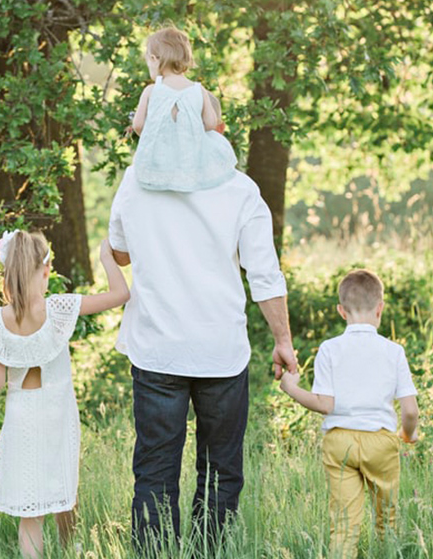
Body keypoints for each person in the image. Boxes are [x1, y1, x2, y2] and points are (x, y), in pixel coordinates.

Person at [108, 95, 297, 552]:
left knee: (154, 467)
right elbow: (265, 274)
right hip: (220, 350)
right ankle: (207, 552)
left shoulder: (136, 182)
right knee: (220, 468)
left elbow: (120, 252)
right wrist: (283, 340)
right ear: (214, 126)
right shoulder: (239, 189)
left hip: (157, 349)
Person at [0, 231, 130, 559]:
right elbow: (120, 294)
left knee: (30, 512)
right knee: (64, 488)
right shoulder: (58, 308)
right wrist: (106, 258)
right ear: (45, 270)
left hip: (21, 419)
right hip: (57, 413)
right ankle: (70, 550)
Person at [279, 268, 419, 559]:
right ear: (380, 308)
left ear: (341, 311)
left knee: (343, 524)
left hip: (339, 443)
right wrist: (407, 434)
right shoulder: (394, 351)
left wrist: (291, 388)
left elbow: (324, 405)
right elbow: (410, 409)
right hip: (381, 442)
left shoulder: (329, 349)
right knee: (387, 518)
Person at [130, 25, 237, 192]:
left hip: (160, 158)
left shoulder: (151, 91)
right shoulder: (198, 90)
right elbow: (210, 123)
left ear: (153, 59)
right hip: (189, 160)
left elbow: (137, 125)